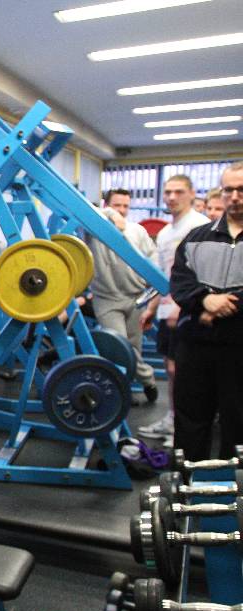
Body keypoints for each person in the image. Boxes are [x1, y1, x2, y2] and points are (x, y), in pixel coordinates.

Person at [169, 163, 243, 461]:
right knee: (190, 421)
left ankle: (235, 485)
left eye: (241, 190)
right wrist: (205, 300)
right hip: (196, 347)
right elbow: (180, 281)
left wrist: (226, 305)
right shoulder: (196, 238)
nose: (235, 196)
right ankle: (190, 481)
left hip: (239, 347)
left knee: (238, 424)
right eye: (229, 190)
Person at [138, 175, 211, 445]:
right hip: (167, 311)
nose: (171, 197)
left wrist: (185, 306)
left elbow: (206, 274)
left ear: (192, 194)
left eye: (178, 192)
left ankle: (184, 427)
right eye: (167, 192)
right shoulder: (167, 232)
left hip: (189, 311)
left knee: (187, 372)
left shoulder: (200, 226)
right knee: (171, 370)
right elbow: (164, 276)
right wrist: (151, 307)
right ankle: (172, 420)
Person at [88, 190, 159, 403]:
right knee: (119, 345)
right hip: (106, 299)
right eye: (117, 205)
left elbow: (152, 257)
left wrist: (153, 286)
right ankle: (148, 379)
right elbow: (87, 208)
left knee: (134, 348)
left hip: (136, 297)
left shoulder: (137, 230)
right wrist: (111, 214)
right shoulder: (93, 227)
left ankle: (124, 391)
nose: (122, 210)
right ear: (106, 205)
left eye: (125, 206)